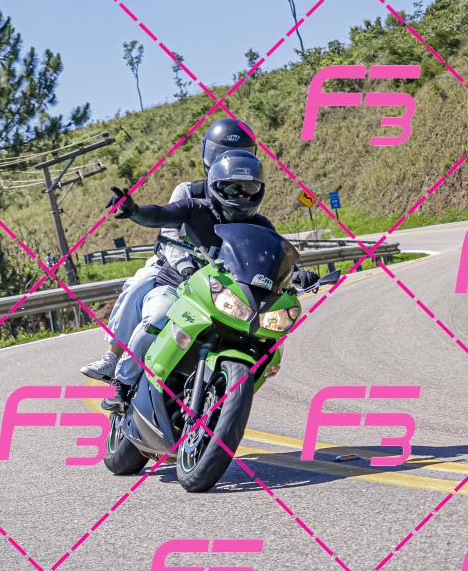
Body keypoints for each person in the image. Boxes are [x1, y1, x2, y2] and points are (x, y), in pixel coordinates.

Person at [99, 150, 319, 411]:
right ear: (215, 186)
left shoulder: (260, 226)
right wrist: (134, 210)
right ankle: (122, 383)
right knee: (157, 317)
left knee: (262, 339)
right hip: (176, 286)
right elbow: (160, 214)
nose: (240, 195)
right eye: (231, 188)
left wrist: (297, 273)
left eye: (248, 188)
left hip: (223, 295)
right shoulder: (195, 208)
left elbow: (275, 258)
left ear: (259, 190)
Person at [79, 118, 258, 382]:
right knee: (138, 286)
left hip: (219, 276)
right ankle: (114, 356)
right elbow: (169, 229)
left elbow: (260, 241)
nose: (231, 162)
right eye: (222, 154)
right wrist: (185, 265)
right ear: (208, 156)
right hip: (172, 265)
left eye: (240, 154)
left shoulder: (248, 201)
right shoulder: (189, 191)